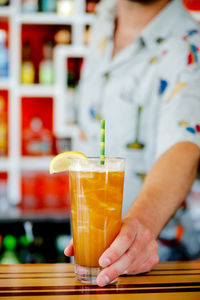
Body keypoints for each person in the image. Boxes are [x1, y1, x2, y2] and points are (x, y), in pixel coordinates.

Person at [65, 0, 200, 286]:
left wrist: (142, 225)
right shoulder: (104, 16)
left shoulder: (190, 46)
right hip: (89, 263)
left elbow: (183, 147)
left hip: (157, 274)